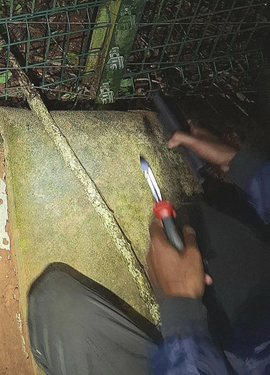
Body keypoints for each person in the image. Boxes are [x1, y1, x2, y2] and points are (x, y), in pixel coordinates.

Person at [28, 123, 270, 375]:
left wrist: (182, 311)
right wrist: (240, 163)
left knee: (58, 308)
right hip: (259, 321)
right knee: (196, 221)